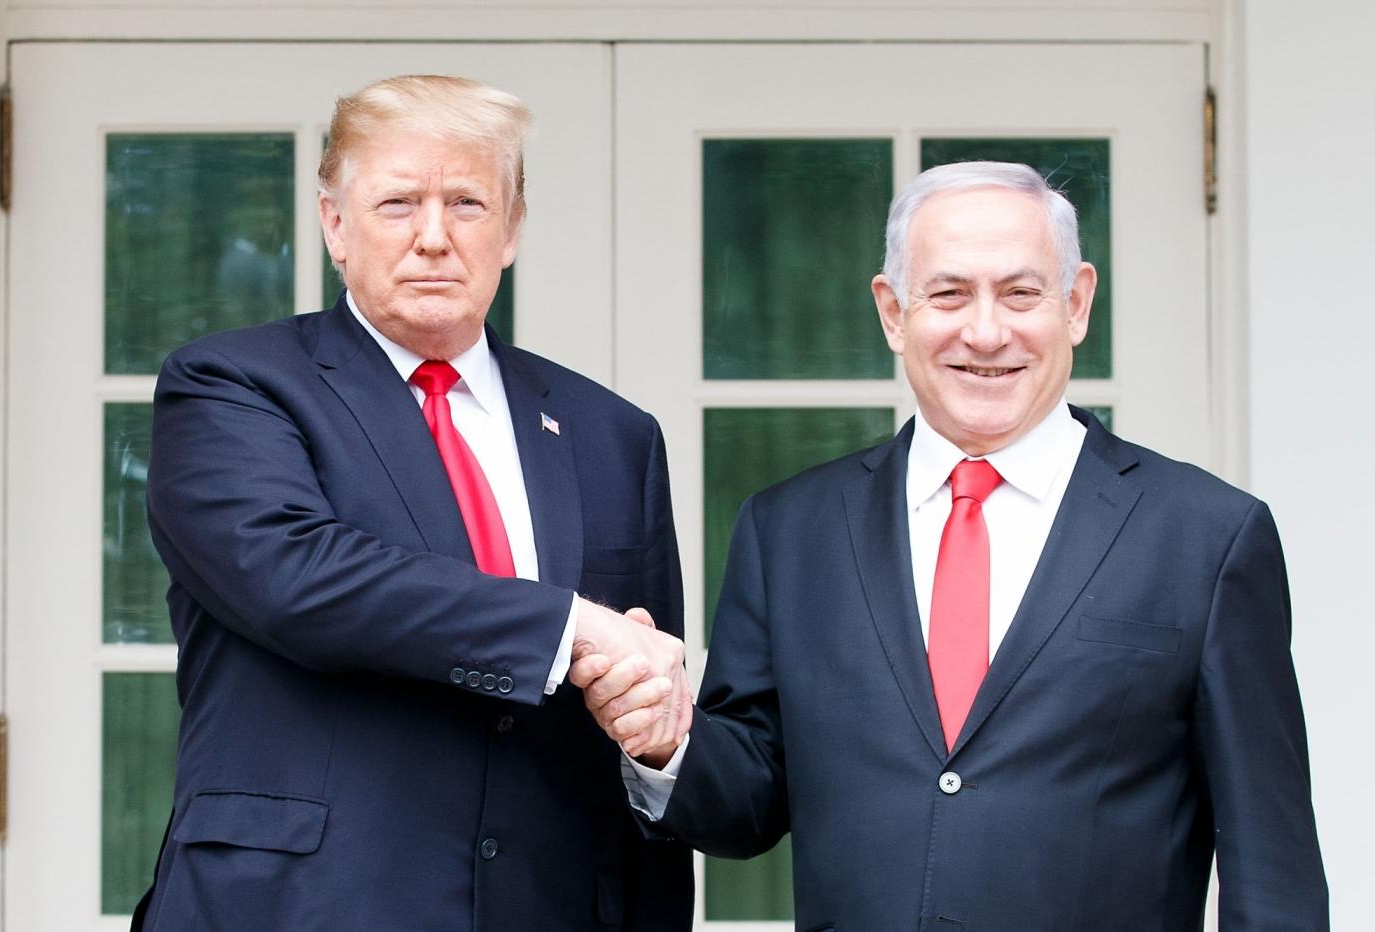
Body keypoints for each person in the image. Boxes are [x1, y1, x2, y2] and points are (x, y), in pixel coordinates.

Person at [579, 161, 1328, 929]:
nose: (985, 331)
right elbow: (748, 805)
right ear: (893, 312)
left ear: (1076, 304)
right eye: (948, 293)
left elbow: (1272, 867)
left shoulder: (1207, 536)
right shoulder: (788, 531)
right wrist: (669, 739)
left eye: (1020, 292)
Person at [131, 74, 692, 931]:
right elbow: (297, 577)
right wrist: (572, 627)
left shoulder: (612, 434)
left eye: (468, 202)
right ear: (334, 226)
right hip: (297, 908)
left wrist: (655, 736)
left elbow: (646, 701)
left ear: (510, 230)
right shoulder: (232, 388)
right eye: (398, 203)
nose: (434, 237)